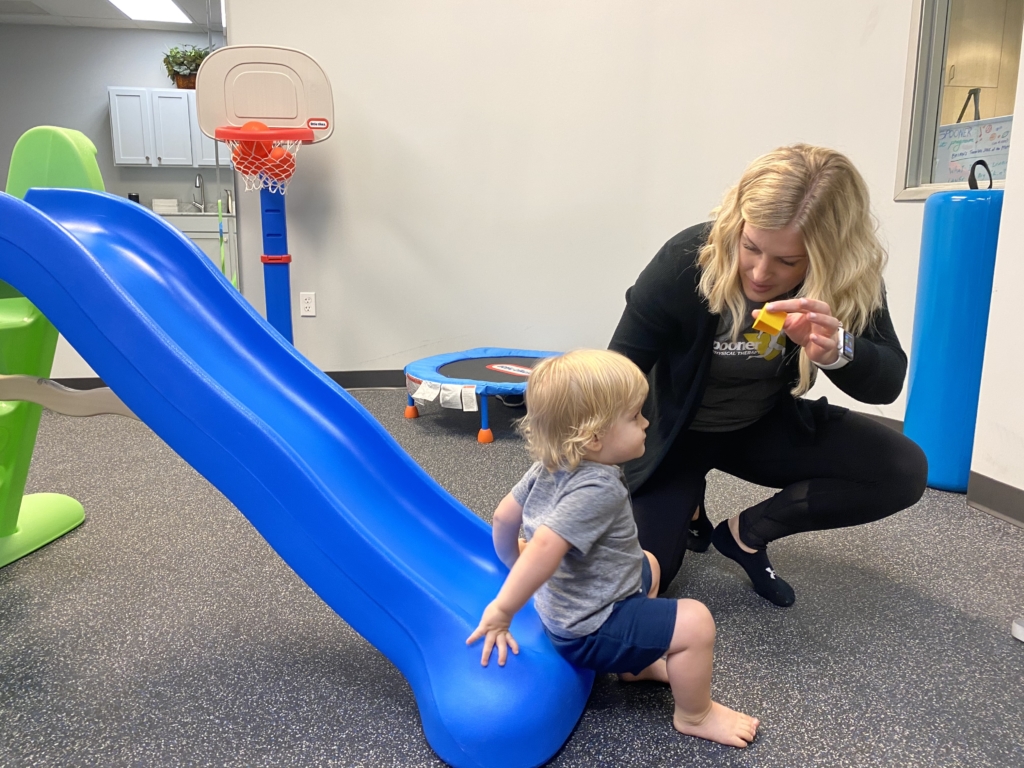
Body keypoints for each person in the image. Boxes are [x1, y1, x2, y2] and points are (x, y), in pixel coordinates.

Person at [609, 144, 929, 607]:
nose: (760, 274)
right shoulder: (686, 257)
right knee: (639, 586)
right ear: (736, 226)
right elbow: (618, 372)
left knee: (903, 471)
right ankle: (687, 501)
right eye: (751, 247)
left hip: (760, 426)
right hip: (672, 435)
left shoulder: (848, 278)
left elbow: (888, 382)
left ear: (825, 256)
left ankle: (745, 535)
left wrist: (838, 350)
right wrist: (576, 473)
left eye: (787, 262)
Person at [466, 349, 759, 748]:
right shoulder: (596, 488)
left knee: (650, 565)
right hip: (590, 627)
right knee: (696, 622)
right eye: (635, 417)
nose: (646, 423)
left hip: (583, 597)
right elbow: (547, 547)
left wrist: (510, 557)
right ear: (594, 437)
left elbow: (503, 518)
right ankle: (696, 715)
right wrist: (502, 611)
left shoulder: (553, 461)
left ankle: (633, 667)